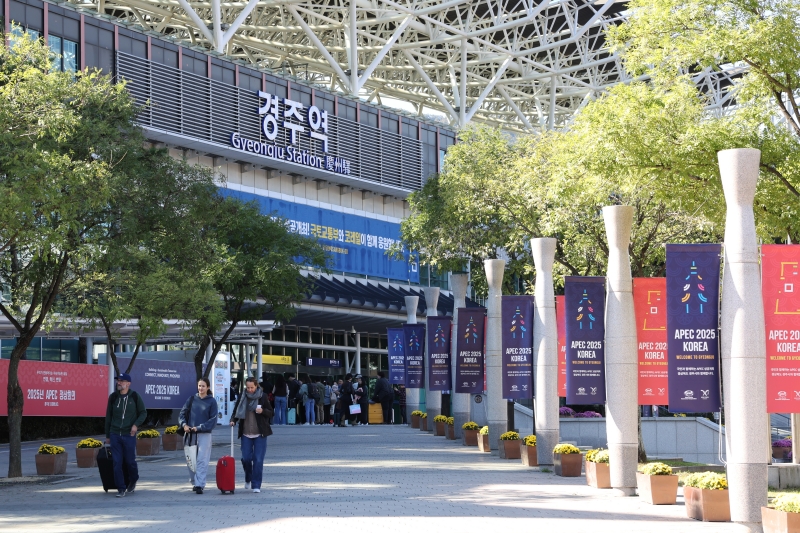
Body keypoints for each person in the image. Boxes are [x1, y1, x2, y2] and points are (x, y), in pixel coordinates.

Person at [104, 373, 147, 497]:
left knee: (130, 462)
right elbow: (108, 418)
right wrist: (108, 435)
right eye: (118, 380)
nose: (119, 383)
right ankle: (121, 488)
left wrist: (135, 425)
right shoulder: (113, 397)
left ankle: (133, 479)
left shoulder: (134, 397)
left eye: (122, 381)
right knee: (117, 462)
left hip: (129, 434)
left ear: (128, 383)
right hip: (115, 434)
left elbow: (143, 413)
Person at [230, 377, 273, 493]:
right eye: (248, 387)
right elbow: (236, 411)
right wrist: (233, 420)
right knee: (246, 459)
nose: (249, 390)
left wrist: (262, 411)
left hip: (260, 433)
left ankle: (256, 485)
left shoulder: (262, 396)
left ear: (256, 386)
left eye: (252, 387)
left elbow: (271, 412)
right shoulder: (242, 396)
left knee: (258, 459)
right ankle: (248, 478)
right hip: (245, 433)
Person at [178, 378, 219, 494]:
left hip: (204, 434)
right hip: (190, 434)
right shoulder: (191, 399)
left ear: (208, 387)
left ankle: (199, 484)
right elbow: (182, 414)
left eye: (203, 386)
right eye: (199, 386)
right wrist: (184, 425)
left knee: (202, 460)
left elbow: (213, 420)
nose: (201, 388)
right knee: (191, 460)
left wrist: (200, 427)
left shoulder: (212, 401)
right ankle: (194, 481)